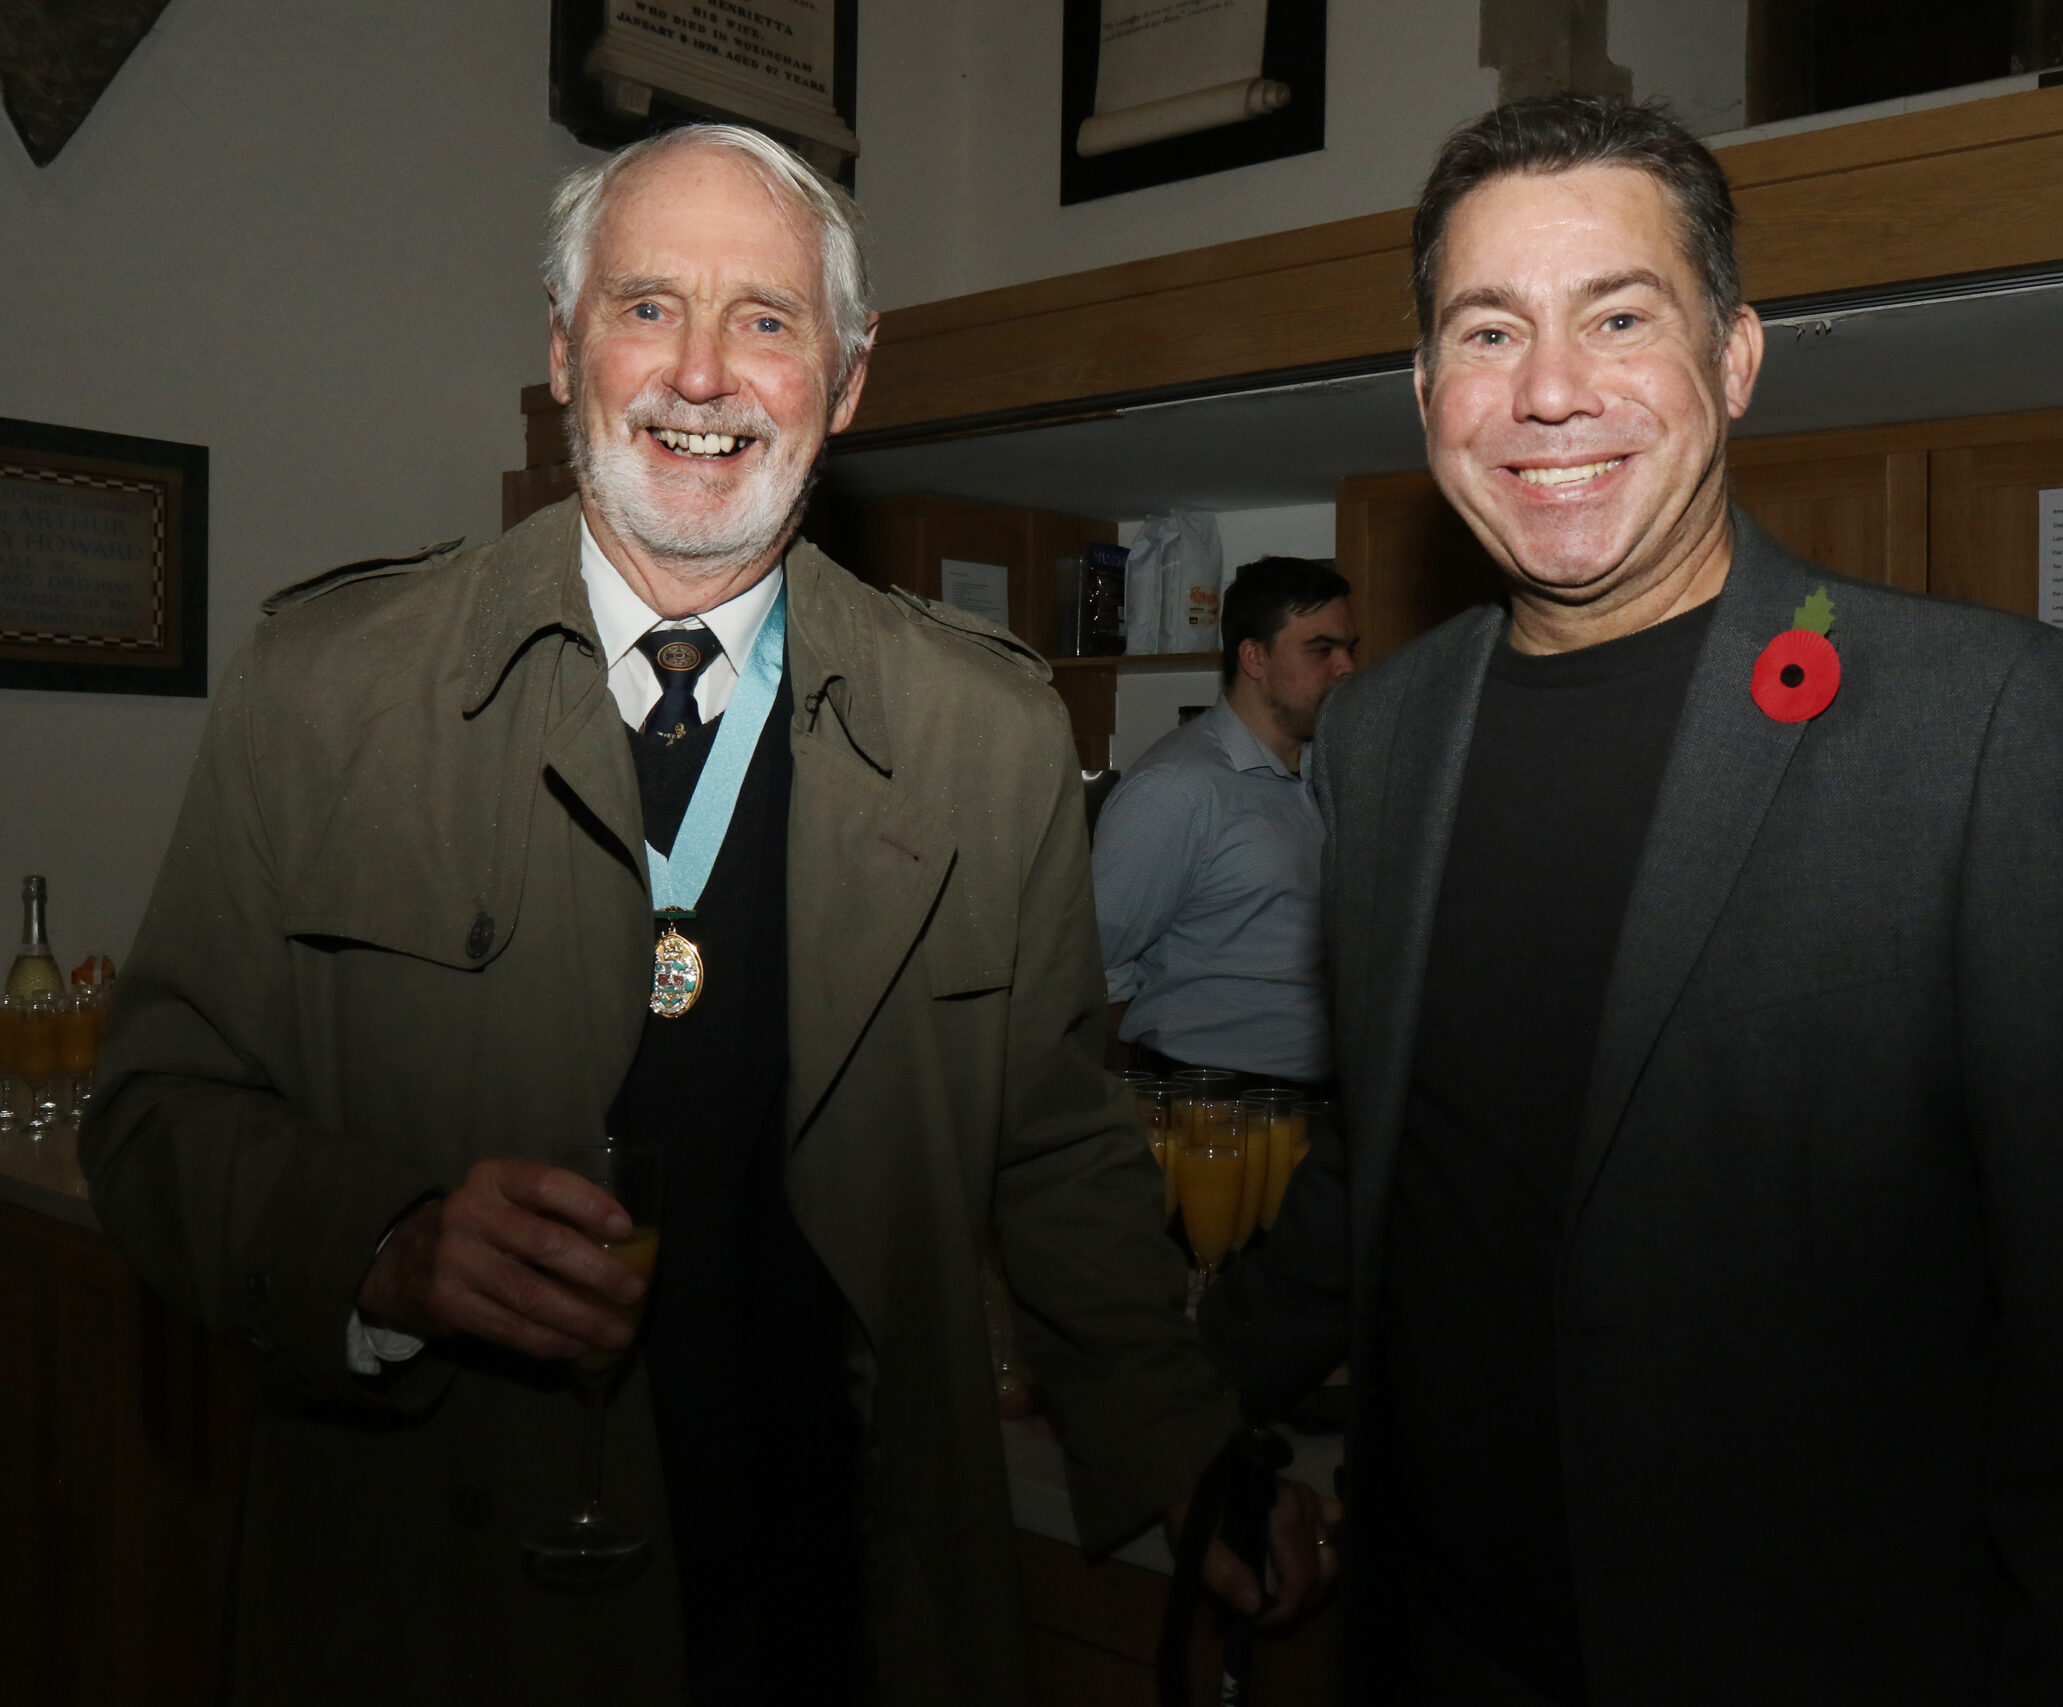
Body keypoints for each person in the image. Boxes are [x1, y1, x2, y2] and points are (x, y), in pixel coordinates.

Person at [83, 125, 1278, 1707]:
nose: (702, 373)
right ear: (562, 346)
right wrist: (381, 1240)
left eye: (765, 318)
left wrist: (1183, 1444)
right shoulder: (326, 692)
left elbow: (1056, 1147)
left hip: (840, 1599)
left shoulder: (986, 736)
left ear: (847, 377)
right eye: (648, 305)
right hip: (442, 1607)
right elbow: (156, 1113)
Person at [1201, 95, 2063, 1706]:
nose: (1551, 389)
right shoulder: (1382, 734)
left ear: (1736, 357)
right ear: (1426, 392)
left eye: (1620, 316)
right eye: (1490, 330)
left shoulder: (1984, 720)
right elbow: (1396, 1153)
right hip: (1435, 1641)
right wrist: (1178, 1396)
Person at [1093, 556, 1359, 1087]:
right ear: (1255, 658)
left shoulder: (1329, 776)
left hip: (1324, 1094)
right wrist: (1140, 1091)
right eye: (1321, 649)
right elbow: (1091, 959)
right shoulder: (1177, 788)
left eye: (1350, 648)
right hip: (1211, 1094)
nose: (1347, 667)